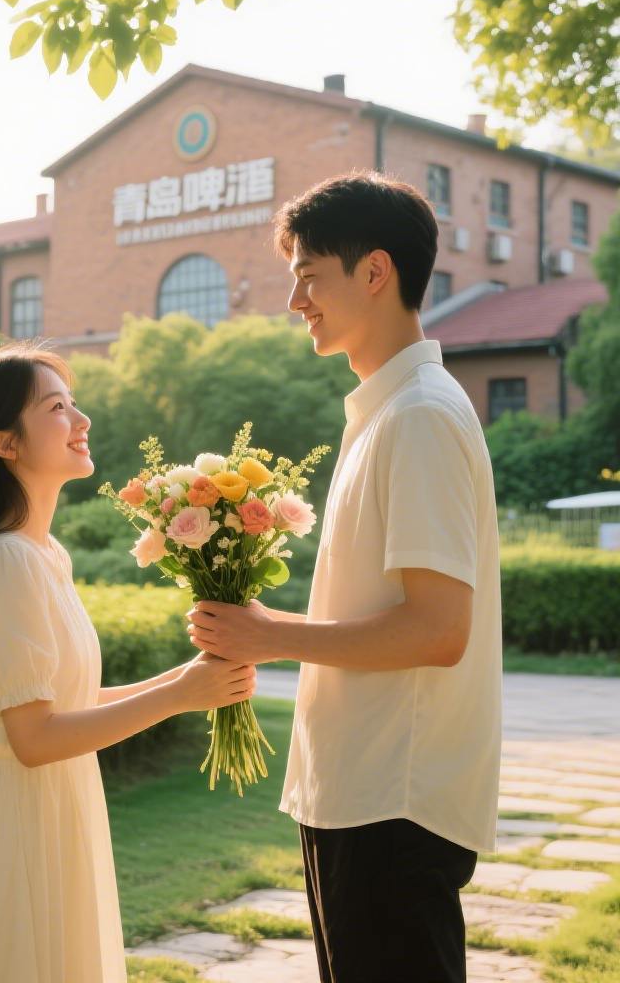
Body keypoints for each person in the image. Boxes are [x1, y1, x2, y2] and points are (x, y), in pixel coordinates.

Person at [188, 172, 502, 983]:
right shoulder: (387, 410)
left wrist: (270, 635)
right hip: (359, 788)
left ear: (375, 272)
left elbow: (439, 629)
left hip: (394, 798)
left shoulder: (421, 417)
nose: (297, 301)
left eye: (308, 276)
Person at [0, 344, 256, 983]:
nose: (82, 420)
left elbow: (62, 703)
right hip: (11, 826)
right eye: (58, 408)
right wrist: (177, 697)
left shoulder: (43, 553)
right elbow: (34, 739)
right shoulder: (7, 562)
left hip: (47, 809)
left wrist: (190, 680)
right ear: (4, 443)